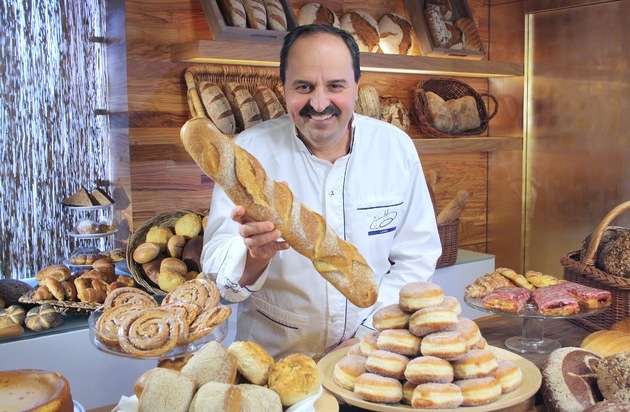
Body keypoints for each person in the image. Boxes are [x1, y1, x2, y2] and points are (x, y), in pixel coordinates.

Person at [201, 24, 441, 360]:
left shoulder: (395, 148)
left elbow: (417, 257)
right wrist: (254, 257)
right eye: (304, 86)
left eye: (335, 86)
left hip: (371, 356)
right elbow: (216, 271)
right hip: (273, 360)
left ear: (356, 85)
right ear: (284, 87)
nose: (319, 102)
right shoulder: (248, 154)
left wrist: (369, 333)